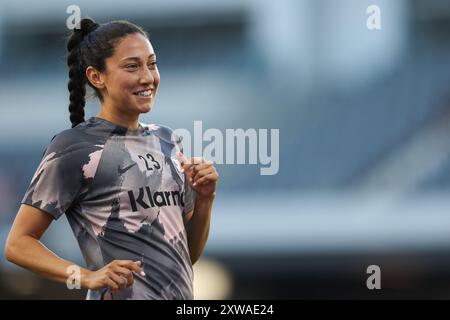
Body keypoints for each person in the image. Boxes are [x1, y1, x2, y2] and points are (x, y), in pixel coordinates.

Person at [5, 17, 218, 300]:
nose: (147, 77)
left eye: (151, 64)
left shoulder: (168, 140)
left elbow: (185, 256)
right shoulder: (73, 147)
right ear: (96, 77)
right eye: (132, 66)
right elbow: (18, 244)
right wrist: (86, 276)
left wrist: (205, 199)